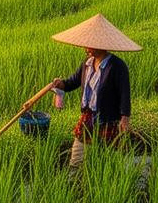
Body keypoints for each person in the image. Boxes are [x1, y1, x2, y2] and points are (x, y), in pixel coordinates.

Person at [48, 13, 136, 163]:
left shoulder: (117, 66)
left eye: (89, 44)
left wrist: (125, 119)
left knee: (108, 160)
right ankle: (75, 180)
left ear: (100, 44)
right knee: (78, 157)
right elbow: (72, 82)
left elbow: (124, 95)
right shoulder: (87, 63)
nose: (85, 48)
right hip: (88, 118)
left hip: (108, 120)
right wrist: (60, 83)